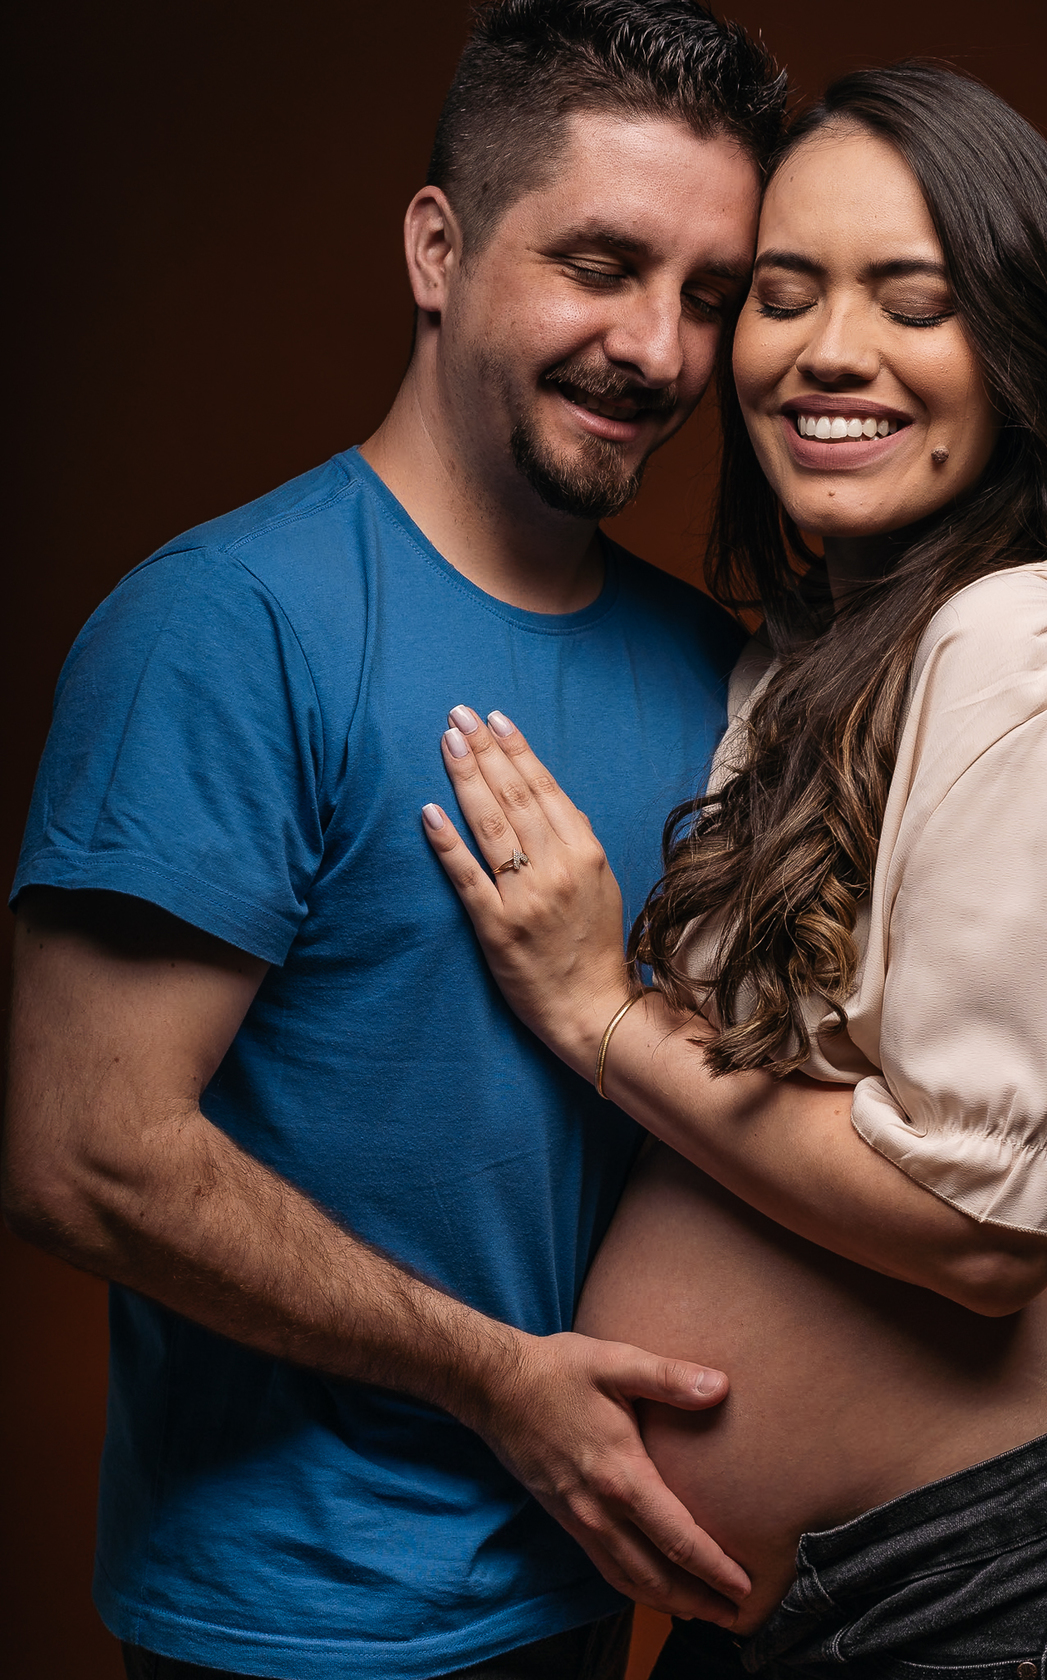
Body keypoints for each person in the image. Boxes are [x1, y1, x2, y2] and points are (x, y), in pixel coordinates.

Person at [3, 4, 791, 1676]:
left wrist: (1014, 1225)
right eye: (600, 265)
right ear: (439, 247)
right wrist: (495, 1382)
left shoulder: (717, 671)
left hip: (598, 1576)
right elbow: (82, 1154)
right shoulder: (230, 625)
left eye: (709, 293)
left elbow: (746, 1094)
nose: (659, 349)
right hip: (298, 1618)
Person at [422, 62, 1047, 1677]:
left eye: (912, 302)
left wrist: (599, 1013)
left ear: (1017, 350)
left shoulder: (1017, 650)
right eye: (781, 296)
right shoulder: (812, 658)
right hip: (834, 1595)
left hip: (1003, 1585)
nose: (831, 351)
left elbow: (977, 1232)